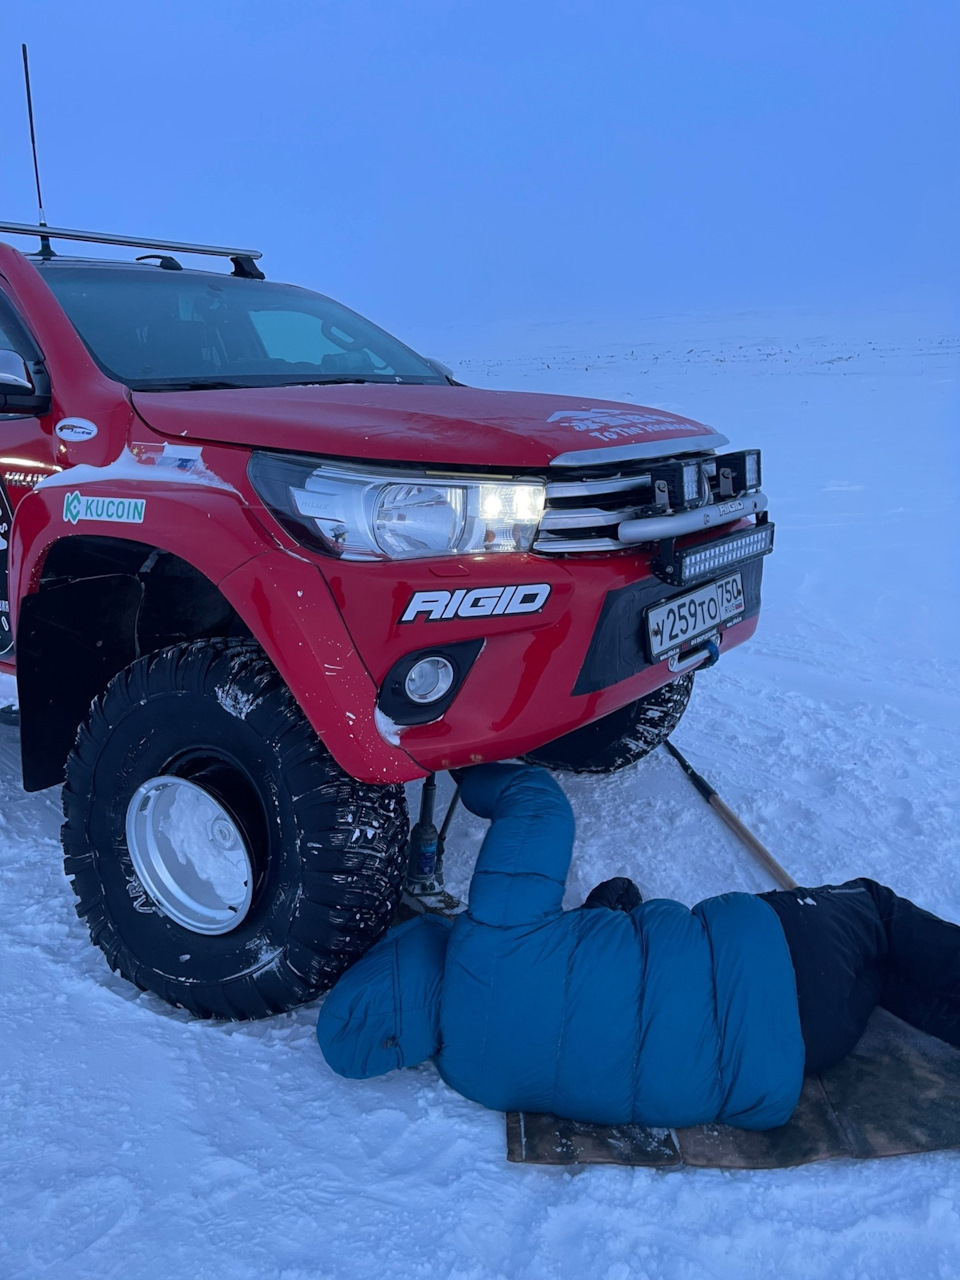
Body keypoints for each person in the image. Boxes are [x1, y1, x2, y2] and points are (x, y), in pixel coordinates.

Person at [316, 764, 960, 1130]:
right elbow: (538, 805)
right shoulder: (492, 939)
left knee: (880, 979)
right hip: (780, 956)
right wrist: (464, 762)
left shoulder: (472, 1077)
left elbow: (585, 1026)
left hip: (802, 1058)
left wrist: (606, 916)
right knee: (876, 914)